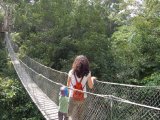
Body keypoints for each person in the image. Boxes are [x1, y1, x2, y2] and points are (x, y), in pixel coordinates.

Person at [67, 55, 96, 120]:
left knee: (70, 115)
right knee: (80, 117)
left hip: (72, 96)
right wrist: (92, 79)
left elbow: (68, 86)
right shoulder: (88, 73)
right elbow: (91, 86)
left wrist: (69, 95)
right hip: (82, 98)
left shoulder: (71, 72)